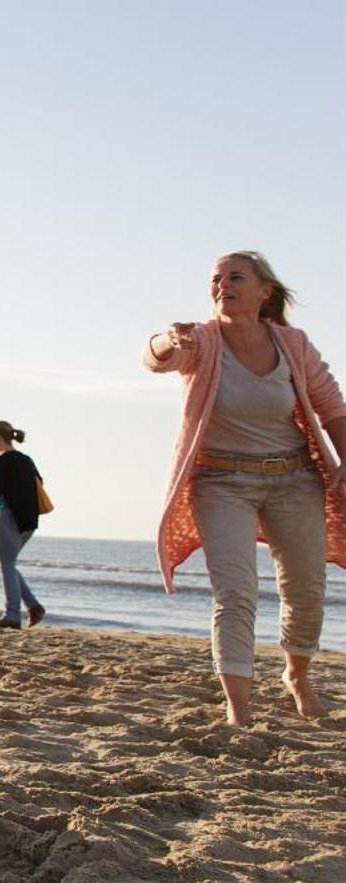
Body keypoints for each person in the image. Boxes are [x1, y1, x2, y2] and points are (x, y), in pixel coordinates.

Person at [146, 250, 346, 726]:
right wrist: (164, 340)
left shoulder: (293, 344)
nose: (222, 285)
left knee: (305, 588)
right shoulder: (200, 340)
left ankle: (296, 674)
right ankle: (239, 709)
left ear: (265, 291)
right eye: (215, 279)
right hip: (220, 482)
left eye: (235, 277)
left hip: (294, 479)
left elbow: (329, 402)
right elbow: (158, 357)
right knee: (235, 592)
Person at [0, 421, 45, 630]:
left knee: (5, 565)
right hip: (29, 520)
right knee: (7, 564)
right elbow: (39, 483)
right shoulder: (26, 460)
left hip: (7, 516)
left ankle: (13, 615)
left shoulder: (0, 462)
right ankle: (33, 607)